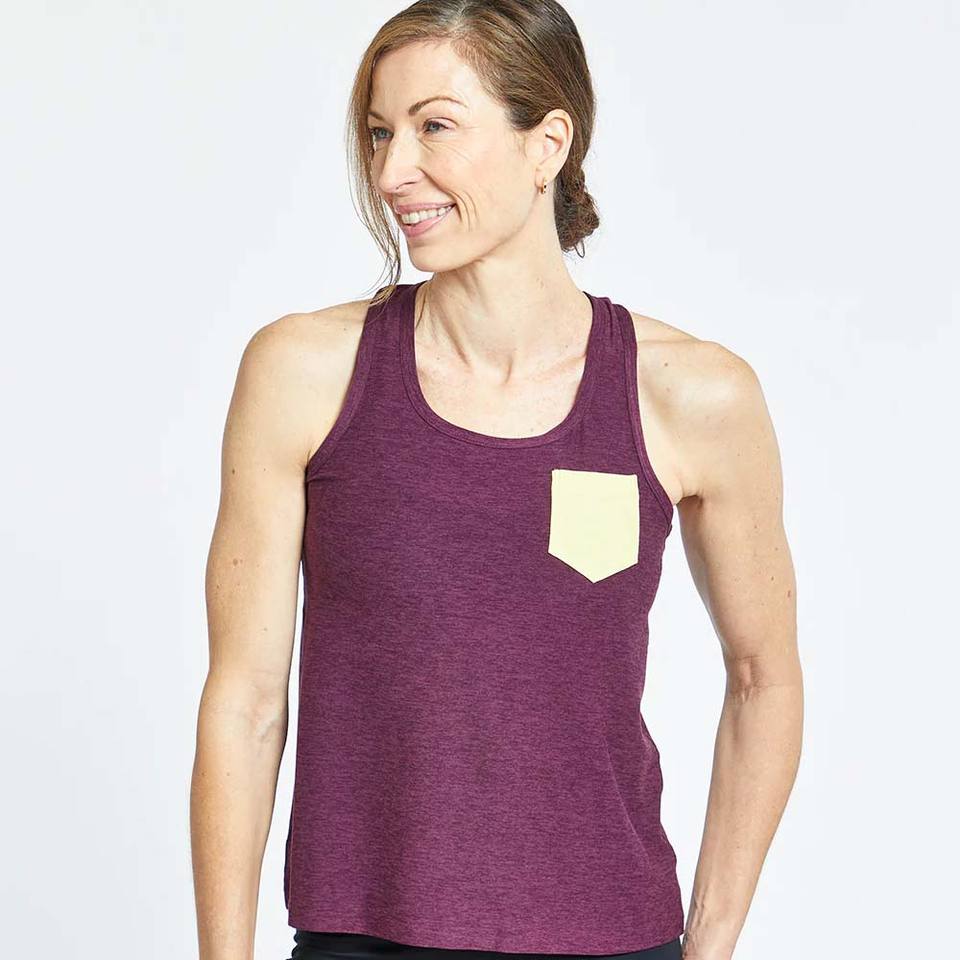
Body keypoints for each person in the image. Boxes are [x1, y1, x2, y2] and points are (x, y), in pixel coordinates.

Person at [190, 2, 803, 959]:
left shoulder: (693, 396)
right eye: (380, 133)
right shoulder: (304, 373)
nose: (392, 172)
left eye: (434, 126)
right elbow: (246, 700)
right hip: (362, 937)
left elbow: (765, 679)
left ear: (547, 143)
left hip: (612, 937)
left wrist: (709, 947)